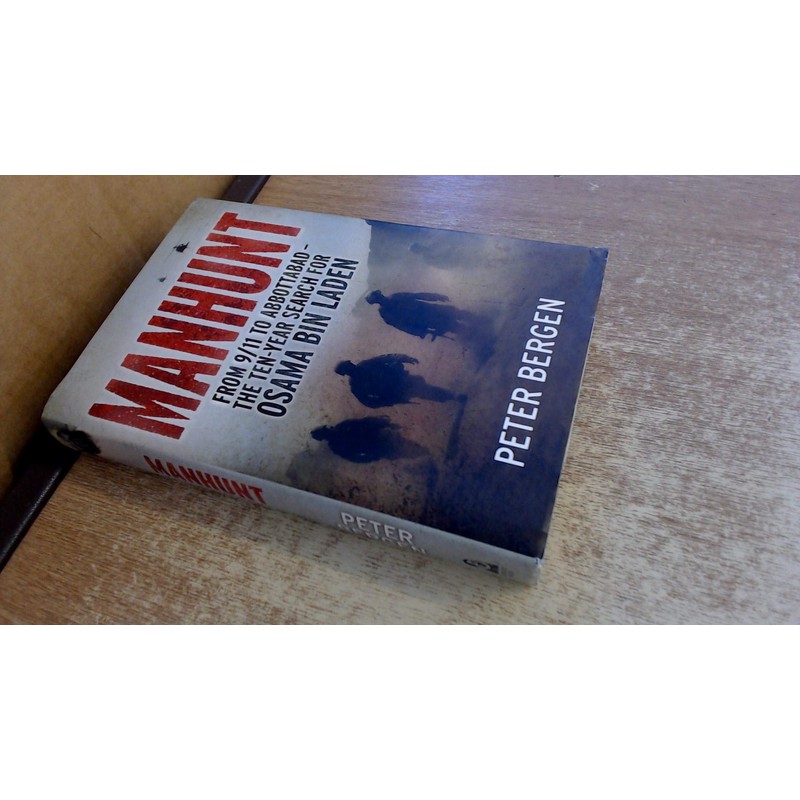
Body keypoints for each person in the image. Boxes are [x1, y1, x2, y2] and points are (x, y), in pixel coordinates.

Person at [335, 354, 464, 408]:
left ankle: (452, 396)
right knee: (423, 392)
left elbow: (386, 357)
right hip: (396, 391)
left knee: (425, 389)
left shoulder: (365, 364)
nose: (352, 366)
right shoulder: (356, 386)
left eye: (350, 364)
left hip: (400, 378)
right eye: (348, 367)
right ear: (346, 372)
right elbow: (369, 402)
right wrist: (390, 401)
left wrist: (404, 358)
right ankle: (450, 397)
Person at [311, 416, 428, 463]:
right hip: (376, 447)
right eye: (326, 431)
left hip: (380, 436)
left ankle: (421, 450)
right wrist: (372, 457)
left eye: (327, 428)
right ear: (324, 437)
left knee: (404, 445)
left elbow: (364, 422)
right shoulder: (336, 446)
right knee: (403, 452)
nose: (329, 428)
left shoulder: (342, 426)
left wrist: (384, 423)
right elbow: (354, 458)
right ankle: (422, 454)